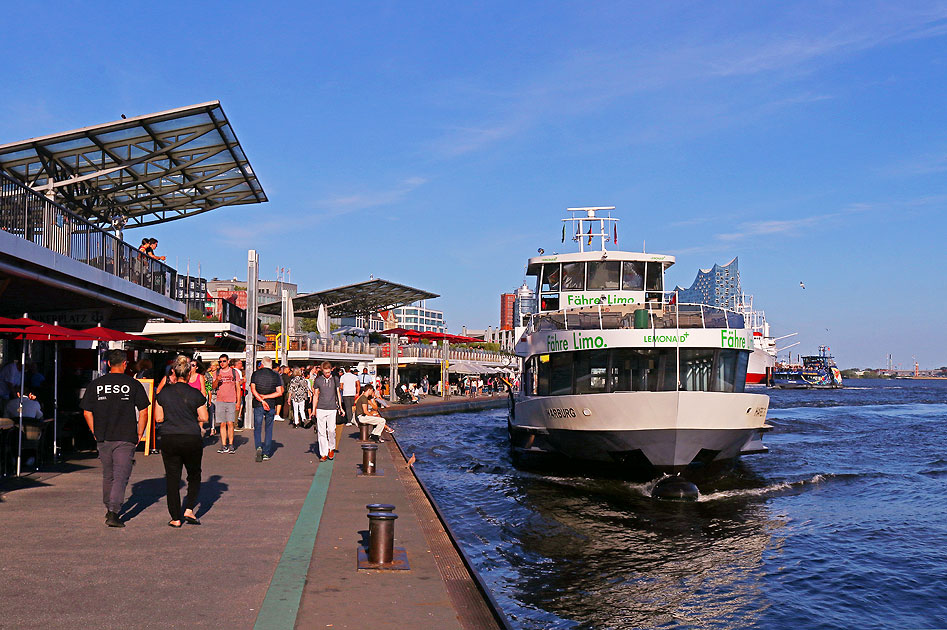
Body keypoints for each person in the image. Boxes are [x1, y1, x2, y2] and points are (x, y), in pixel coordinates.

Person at [80, 349, 150, 528]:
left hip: (103, 435)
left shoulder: (96, 384)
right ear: (125, 364)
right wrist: (140, 433)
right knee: (121, 475)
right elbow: (143, 411)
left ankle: (109, 506)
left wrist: (94, 431)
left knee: (108, 474)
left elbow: (87, 411)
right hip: (126, 435)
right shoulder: (133, 384)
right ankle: (113, 511)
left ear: (108, 364)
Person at [154, 356, 207, 528]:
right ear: (189, 373)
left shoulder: (163, 394)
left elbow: (159, 418)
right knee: (194, 474)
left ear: (174, 374)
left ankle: (175, 517)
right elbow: (204, 417)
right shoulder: (196, 394)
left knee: (172, 478)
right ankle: (189, 509)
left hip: (170, 437)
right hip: (191, 436)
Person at [250, 356, 283, 462]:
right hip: (271, 404)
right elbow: (279, 392)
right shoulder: (275, 375)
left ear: (262, 364)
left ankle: (259, 446)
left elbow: (253, 390)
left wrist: (261, 399)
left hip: (258, 404)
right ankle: (266, 453)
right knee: (268, 428)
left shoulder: (256, 374)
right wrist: (266, 398)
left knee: (258, 427)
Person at [310, 361, 342, 462]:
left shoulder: (335, 379)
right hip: (321, 408)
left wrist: (340, 407)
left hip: (332, 408)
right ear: (322, 371)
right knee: (321, 432)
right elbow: (315, 395)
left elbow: (338, 393)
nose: (328, 374)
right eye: (325, 372)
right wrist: (313, 409)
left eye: (329, 372)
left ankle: (331, 448)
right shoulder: (318, 380)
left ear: (331, 370)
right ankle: (323, 453)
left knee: (331, 430)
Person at [213, 354, 241, 454]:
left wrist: (238, 402)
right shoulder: (217, 372)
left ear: (228, 361)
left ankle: (231, 444)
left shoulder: (234, 372)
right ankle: (223, 445)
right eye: (220, 361)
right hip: (220, 400)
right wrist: (217, 379)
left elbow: (238, 388)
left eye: (224, 361)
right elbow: (213, 386)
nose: (222, 363)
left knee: (230, 423)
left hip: (231, 400)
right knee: (222, 423)